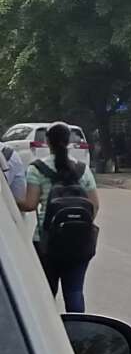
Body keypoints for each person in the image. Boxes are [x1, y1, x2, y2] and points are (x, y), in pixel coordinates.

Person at [21, 122, 100, 313]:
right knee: (74, 292)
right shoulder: (83, 169)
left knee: (47, 294)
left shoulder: (37, 169)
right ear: (69, 141)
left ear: (47, 141)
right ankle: (78, 330)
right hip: (80, 241)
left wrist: (8, 200)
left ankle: (47, 331)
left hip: (46, 241)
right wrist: (77, 226)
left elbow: (30, 204)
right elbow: (94, 205)